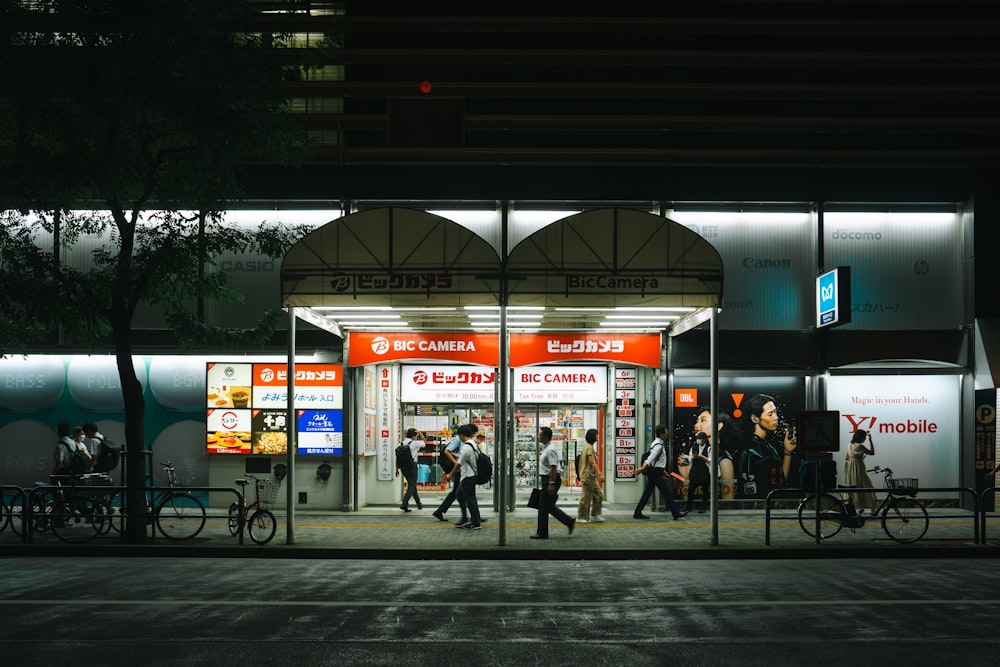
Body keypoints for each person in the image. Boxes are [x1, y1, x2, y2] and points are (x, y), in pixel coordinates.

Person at [735, 394, 798, 499]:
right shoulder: (748, 451)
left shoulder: (769, 446)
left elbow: (779, 480)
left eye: (775, 413)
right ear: (755, 419)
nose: (776, 418)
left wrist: (788, 452)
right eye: (770, 414)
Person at [634, 424, 687, 520]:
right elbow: (650, 459)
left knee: (647, 493)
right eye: (665, 432)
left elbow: (657, 461)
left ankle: (637, 512)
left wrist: (664, 472)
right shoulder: (658, 446)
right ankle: (675, 513)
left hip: (656, 472)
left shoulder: (655, 443)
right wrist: (641, 469)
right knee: (666, 492)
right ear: (661, 434)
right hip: (655, 473)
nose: (667, 434)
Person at [530, 426, 575, 539]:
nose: (538, 436)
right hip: (548, 479)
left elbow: (553, 466)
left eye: (540, 435)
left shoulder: (550, 449)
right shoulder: (546, 447)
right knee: (548, 506)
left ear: (545, 437)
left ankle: (542, 533)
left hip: (551, 479)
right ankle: (569, 521)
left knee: (543, 507)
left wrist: (551, 483)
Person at [432, 426, 472, 523]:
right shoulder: (457, 439)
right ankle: (469, 516)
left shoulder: (465, 441)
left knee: (457, 492)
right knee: (459, 493)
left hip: (461, 470)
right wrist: (455, 463)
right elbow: (447, 451)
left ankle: (441, 511)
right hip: (458, 470)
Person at [448, 424, 483, 530]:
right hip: (469, 476)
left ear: (462, 435)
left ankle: (475, 522)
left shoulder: (466, 447)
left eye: (459, 436)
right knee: (460, 495)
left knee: (470, 499)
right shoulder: (473, 444)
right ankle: (468, 518)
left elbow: (459, 463)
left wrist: (450, 474)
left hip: (468, 476)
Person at [843, 429, 877, 513]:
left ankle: (854, 507)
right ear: (861, 438)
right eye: (864, 437)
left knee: (853, 488)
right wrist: (871, 440)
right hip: (859, 468)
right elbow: (872, 452)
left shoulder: (849, 445)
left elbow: (846, 458)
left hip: (850, 469)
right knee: (867, 486)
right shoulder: (860, 446)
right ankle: (873, 509)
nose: (865, 439)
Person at [576, 428, 604, 523]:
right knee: (586, 497)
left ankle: (595, 513)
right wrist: (600, 473)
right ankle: (581, 516)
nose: (598, 437)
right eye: (597, 435)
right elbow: (592, 462)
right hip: (587, 476)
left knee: (598, 494)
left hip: (590, 476)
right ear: (593, 436)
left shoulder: (587, 446)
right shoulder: (589, 448)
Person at [395, 428, 424, 512]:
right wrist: (419, 432)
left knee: (412, 485)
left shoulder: (400, 444)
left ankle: (418, 504)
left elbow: (398, 458)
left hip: (404, 468)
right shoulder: (414, 443)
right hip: (412, 467)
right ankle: (404, 503)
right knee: (411, 486)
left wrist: (397, 469)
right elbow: (424, 442)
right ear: (414, 436)